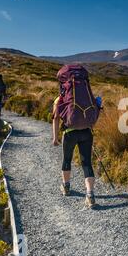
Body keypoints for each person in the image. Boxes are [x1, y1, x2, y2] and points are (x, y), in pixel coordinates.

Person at [52, 65, 100, 209]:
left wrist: (55, 138)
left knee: (67, 159)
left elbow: (55, 118)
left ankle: (66, 187)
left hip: (69, 132)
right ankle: (90, 195)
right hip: (87, 132)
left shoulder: (60, 99)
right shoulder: (88, 96)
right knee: (86, 163)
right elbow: (96, 112)